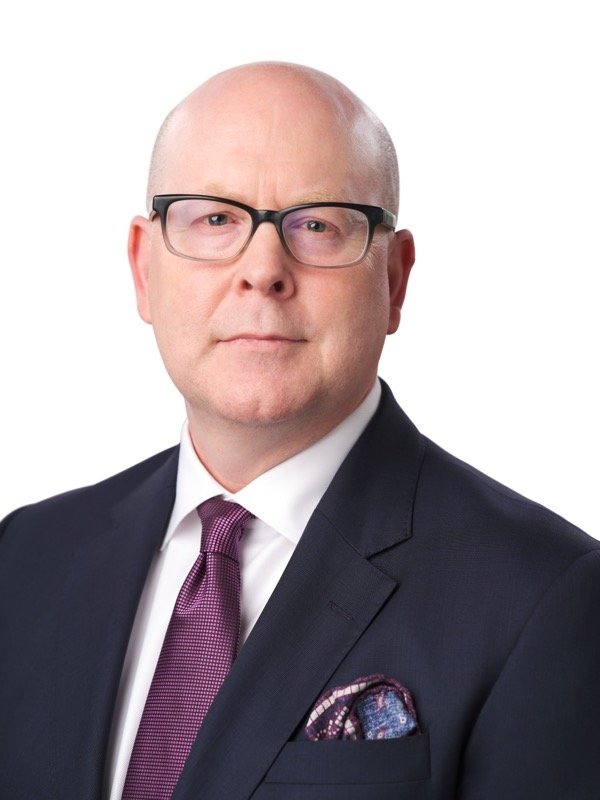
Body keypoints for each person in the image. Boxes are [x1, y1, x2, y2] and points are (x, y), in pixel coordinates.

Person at [0, 62, 598, 800]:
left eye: (317, 225)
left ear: (395, 280)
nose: (262, 270)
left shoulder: (546, 599)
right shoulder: (25, 559)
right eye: (214, 218)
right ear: (143, 268)